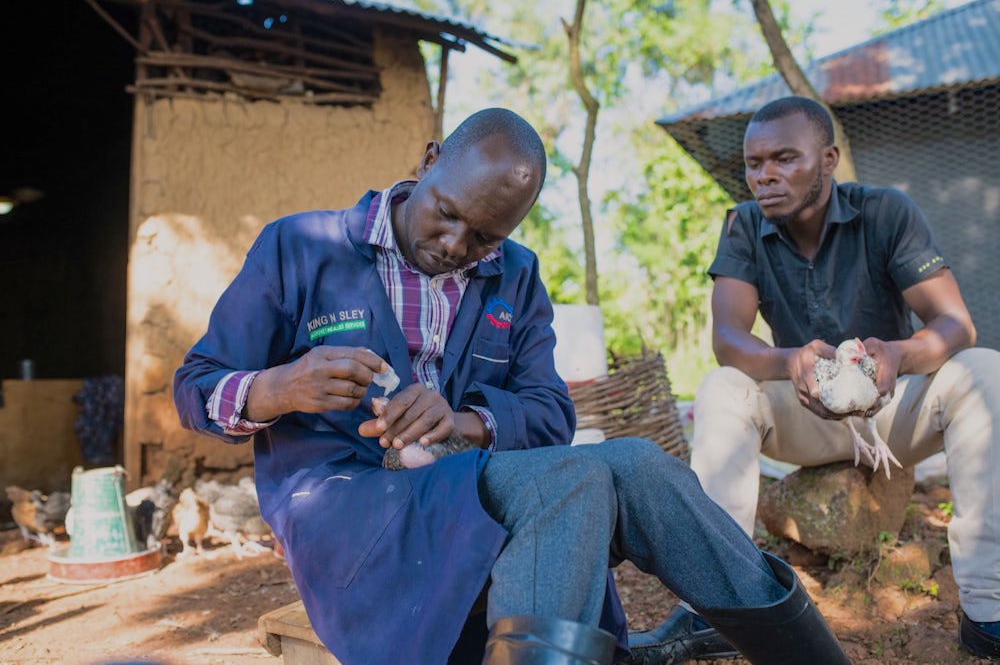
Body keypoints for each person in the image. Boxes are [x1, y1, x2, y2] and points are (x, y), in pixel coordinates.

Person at [174, 107, 848, 665]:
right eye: (446, 213)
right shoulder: (301, 247)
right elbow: (195, 389)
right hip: (347, 504)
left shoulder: (515, 275)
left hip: (465, 482)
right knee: (571, 482)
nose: (454, 244)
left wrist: (460, 421)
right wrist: (281, 385)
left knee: (641, 464)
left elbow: (549, 412)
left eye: (484, 237)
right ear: (431, 158)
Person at [650, 95, 1000, 661]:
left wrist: (897, 353)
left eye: (784, 158)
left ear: (829, 158)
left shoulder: (886, 211)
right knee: (722, 387)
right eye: (753, 163)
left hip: (892, 415)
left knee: (987, 369)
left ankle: (989, 611)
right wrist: (788, 361)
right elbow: (728, 340)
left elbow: (956, 323)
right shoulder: (741, 225)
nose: (764, 176)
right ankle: (715, 611)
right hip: (804, 417)